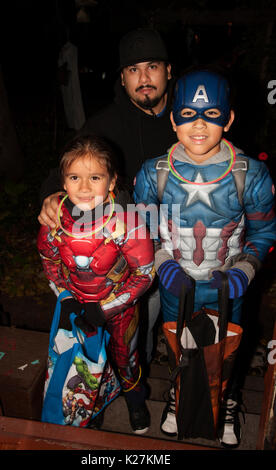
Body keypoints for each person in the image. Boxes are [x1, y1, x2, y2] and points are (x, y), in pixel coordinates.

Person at [133, 68, 276, 447]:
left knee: (224, 350)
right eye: (188, 114)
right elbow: (142, 233)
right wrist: (162, 264)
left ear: (228, 119)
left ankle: (225, 399)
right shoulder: (153, 173)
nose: (199, 125)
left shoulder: (252, 174)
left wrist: (245, 269)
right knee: (178, 345)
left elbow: (263, 232)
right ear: (173, 120)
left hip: (228, 287)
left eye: (211, 115)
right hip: (174, 285)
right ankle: (180, 396)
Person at [38, 27, 176, 365]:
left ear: (168, 71)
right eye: (133, 70)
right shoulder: (103, 124)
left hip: (186, 240)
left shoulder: (188, 120)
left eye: (152, 66)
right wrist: (50, 196)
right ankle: (125, 382)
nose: (143, 78)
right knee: (134, 331)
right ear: (123, 78)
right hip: (130, 252)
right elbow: (64, 170)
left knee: (184, 329)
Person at [37, 134, 155, 434]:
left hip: (119, 307)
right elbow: (49, 262)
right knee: (87, 361)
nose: (85, 187)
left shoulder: (127, 223)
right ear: (63, 181)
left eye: (95, 177)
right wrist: (65, 296)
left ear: (112, 182)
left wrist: (106, 309)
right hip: (77, 305)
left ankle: (135, 400)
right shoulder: (54, 222)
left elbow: (145, 274)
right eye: (75, 177)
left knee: (125, 357)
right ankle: (95, 402)